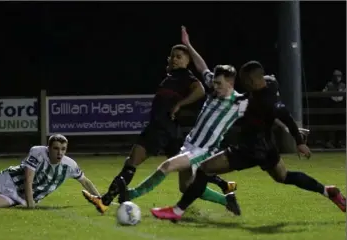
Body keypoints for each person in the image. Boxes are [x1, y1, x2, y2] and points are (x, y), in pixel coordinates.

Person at [150, 60, 346, 221]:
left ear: (253, 80)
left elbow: (284, 115)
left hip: (249, 149)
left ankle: (177, 211)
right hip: (267, 148)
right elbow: (278, 111)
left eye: (245, 80)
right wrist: (298, 139)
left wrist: (299, 141)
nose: (242, 82)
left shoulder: (265, 102)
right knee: (284, 177)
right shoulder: (266, 86)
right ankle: (327, 191)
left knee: (203, 169)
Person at [82, 44, 233, 214]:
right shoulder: (172, 77)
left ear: (187, 61)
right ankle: (226, 195)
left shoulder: (184, 76)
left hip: (160, 128)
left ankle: (105, 201)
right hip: (172, 132)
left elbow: (199, 90)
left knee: (131, 162)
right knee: (186, 184)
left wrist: (179, 105)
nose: (175, 59)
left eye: (179, 57)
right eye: (173, 56)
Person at [0, 134, 101, 208]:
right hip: (7, 180)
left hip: (17, 198)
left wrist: (100, 199)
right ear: (48, 148)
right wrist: (31, 204)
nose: (60, 153)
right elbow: (28, 180)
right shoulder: (38, 152)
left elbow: (85, 182)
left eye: (63, 149)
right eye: (56, 148)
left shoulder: (70, 165)